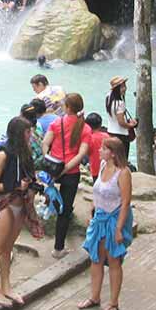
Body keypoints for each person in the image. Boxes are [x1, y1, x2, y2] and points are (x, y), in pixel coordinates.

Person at [0, 117, 44, 308]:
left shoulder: (25, 153)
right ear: (19, 134)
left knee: (8, 248)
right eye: (28, 132)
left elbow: (29, 176)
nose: (30, 135)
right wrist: (16, 185)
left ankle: (7, 286)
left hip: (21, 203)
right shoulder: (3, 155)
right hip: (5, 203)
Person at [78, 137, 133, 310]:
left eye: (103, 149)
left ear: (113, 153)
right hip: (100, 217)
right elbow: (98, 192)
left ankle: (114, 302)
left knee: (114, 260)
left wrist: (118, 228)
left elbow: (125, 203)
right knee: (96, 258)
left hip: (113, 219)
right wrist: (92, 212)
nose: (99, 151)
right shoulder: (102, 167)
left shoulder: (123, 173)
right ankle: (94, 297)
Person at [42, 93, 92, 259]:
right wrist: (67, 168)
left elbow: (45, 143)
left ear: (67, 107)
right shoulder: (85, 128)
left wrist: (49, 161)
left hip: (54, 170)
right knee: (65, 210)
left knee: (55, 202)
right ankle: (58, 249)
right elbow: (81, 154)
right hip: (71, 173)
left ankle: (50, 218)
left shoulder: (57, 122)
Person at [105, 77, 137, 160]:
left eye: (125, 86)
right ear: (116, 89)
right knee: (122, 159)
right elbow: (121, 122)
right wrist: (131, 125)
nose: (125, 89)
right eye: (122, 87)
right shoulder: (120, 103)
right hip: (121, 135)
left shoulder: (108, 97)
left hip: (110, 132)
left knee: (114, 158)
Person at [86, 113, 109, 183]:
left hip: (95, 169)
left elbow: (87, 152)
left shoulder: (90, 139)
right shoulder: (107, 136)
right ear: (100, 124)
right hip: (107, 167)